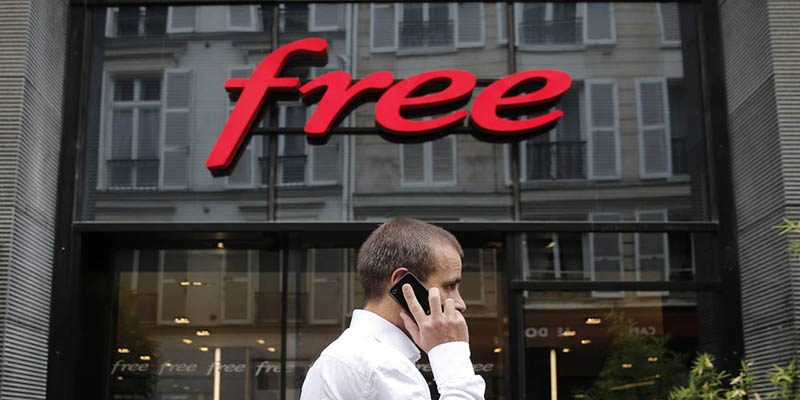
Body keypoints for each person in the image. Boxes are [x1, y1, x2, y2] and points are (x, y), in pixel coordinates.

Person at [300, 217, 486, 399]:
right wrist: (451, 354)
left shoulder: (353, 356)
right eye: (450, 286)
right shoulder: (381, 366)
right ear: (403, 284)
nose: (460, 303)